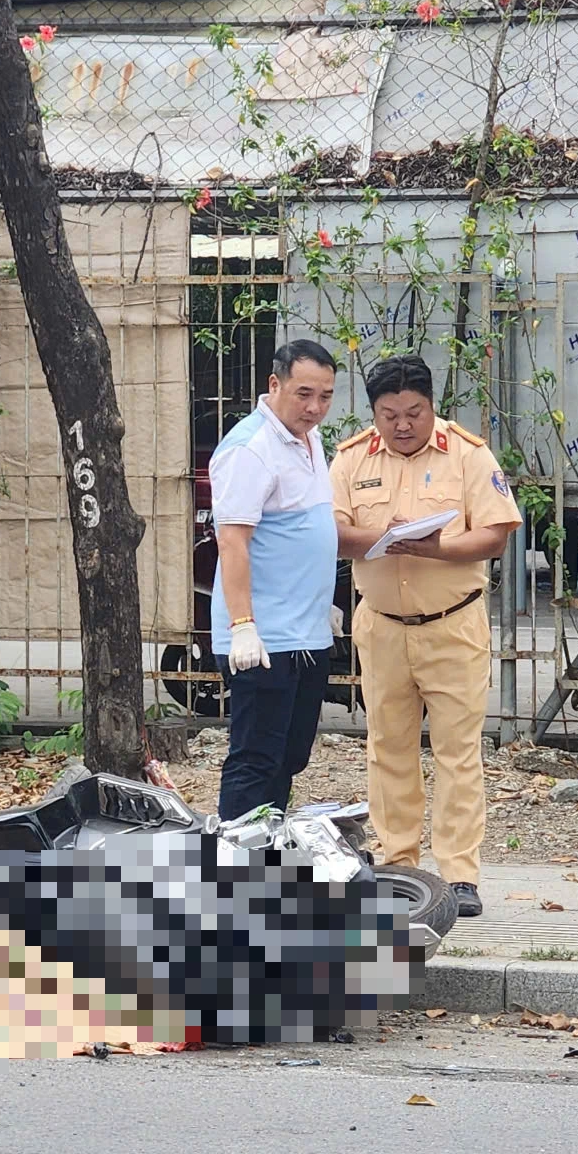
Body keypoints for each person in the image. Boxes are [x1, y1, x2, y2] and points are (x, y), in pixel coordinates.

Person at [329, 354, 522, 919]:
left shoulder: (467, 453)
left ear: (432, 406)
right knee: (387, 748)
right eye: (389, 415)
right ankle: (398, 866)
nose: (402, 425)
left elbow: (495, 535)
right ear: (374, 413)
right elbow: (332, 531)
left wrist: (435, 548)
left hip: (452, 624)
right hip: (383, 626)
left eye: (414, 412)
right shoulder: (350, 459)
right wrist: (375, 536)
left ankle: (460, 874)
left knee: (458, 752)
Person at [211, 339, 340, 820]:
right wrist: (243, 624)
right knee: (255, 758)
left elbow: (301, 528)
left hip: (305, 632)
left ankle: (266, 857)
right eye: (304, 393)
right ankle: (232, 875)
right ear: (274, 384)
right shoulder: (251, 448)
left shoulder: (308, 438)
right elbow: (233, 542)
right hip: (264, 638)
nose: (314, 407)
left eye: (325, 396)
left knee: (290, 757)